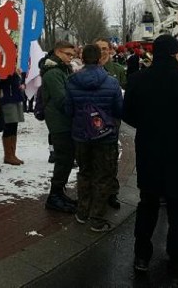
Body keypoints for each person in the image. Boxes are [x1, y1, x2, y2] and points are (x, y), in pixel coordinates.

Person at [124, 34, 178, 284]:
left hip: (149, 151)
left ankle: (141, 255)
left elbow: (127, 113)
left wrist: (149, 126)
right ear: (175, 54)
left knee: (148, 204)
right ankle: (177, 261)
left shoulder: (137, 80)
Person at [66, 44, 123, 232]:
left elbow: (68, 109)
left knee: (84, 172)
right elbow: (118, 110)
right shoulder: (112, 82)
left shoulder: (72, 80)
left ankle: (82, 212)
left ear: (82, 59)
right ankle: (97, 217)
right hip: (105, 137)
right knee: (104, 176)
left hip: (81, 136)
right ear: (100, 59)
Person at [40, 40, 77, 212]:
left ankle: (59, 193)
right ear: (57, 52)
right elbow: (62, 99)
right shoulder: (53, 72)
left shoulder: (60, 69)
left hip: (63, 120)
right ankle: (54, 196)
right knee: (63, 159)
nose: (70, 58)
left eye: (72, 55)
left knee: (67, 159)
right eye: (67, 54)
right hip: (59, 122)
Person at [94, 38, 126, 210]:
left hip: (111, 122)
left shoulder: (118, 71)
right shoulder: (86, 70)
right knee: (92, 160)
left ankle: (111, 193)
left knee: (111, 159)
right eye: (98, 48)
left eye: (105, 48)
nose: (102, 51)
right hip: (90, 124)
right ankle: (94, 193)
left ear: (110, 50)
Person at [0, 69, 26, 165]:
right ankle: (8, 155)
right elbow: (3, 81)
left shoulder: (15, 69)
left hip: (15, 98)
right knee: (9, 126)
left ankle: (12, 154)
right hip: (7, 99)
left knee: (14, 126)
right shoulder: (4, 69)